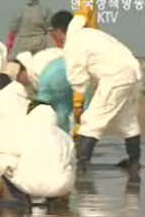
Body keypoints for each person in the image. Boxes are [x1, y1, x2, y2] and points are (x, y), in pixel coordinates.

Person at [49, 11, 143, 171]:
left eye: (53, 34)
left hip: (115, 77)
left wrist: (78, 106)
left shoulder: (74, 43)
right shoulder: (90, 34)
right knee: (127, 120)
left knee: (92, 121)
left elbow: (78, 79)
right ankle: (134, 161)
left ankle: (81, 164)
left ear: (58, 30)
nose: (53, 39)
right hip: (132, 73)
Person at [0, 102, 76, 204]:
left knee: (0, 157)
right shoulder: (65, 136)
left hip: (33, 184)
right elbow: (73, 161)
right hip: (62, 185)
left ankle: (20, 198)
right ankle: (55, 198)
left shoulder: (22, 131)